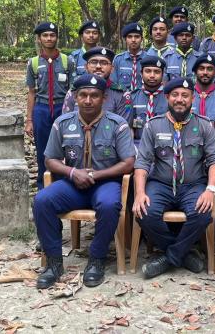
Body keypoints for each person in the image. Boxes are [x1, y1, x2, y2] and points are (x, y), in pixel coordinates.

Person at [33, 74, 135, 289]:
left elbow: (128, 163)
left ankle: (96, 260)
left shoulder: (118, 125)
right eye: (83, 95)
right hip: (72, 185)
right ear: (75, 97)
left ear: (104, 98)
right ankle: (54, 263)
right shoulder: (62, 123)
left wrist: (95, 175)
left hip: (105, 183)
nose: (88, 100)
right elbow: (50, 159)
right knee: (42, 200)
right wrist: (72, 172)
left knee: (109, 205)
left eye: (94, 96)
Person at [132, 77, 215, 278]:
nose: (180, 99)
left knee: (202, 214)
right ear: (167, 97)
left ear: (193, 99)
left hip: (193, 184)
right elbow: (142, 162)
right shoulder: (153, 125)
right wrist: (139, 192)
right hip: (161, 184)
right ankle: (183, 254)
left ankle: (169, 257)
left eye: (185, 95)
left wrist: (210, 189)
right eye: (175, 95)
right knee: (144, 212)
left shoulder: (204, 125)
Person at [25, 21, 75, 190]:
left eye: (52, 35)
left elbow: (73, 91)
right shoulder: (33, 63)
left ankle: (64, 185)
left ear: (57, 38)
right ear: (39, 39)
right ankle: (43, 186)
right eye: (45, 35)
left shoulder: (67, 61)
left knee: (66, 147)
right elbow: (31, 92)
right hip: (42, 109)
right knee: (43, 149)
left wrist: (74, 114)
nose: (49, 38)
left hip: (63, 108)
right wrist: (29, 120)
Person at [62, 47, 129, 122]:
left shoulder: (122, 94)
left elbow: (124, 125)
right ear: (86, 67)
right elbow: (65, 123)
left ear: (112, 68)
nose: (98, 66)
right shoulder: (74, 92)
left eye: (104, 63)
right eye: (94, 62)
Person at [126, 56, 169, 144]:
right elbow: (128, 128)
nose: (152, 75)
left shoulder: (170, 98)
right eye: (148, 71)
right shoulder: (132, 97)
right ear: (141, 73)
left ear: (162, 74)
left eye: (157, 72)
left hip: (164, 145)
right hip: (138, 144)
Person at [191, 54, 215, 133]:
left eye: (209, 69)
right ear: (195, 72)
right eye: (201, 68)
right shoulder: (186, 95)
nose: (205, 72)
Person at [111, 22, 146, 91]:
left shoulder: (149, 58)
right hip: (122, 96)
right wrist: (125, 92)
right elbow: (113, 84)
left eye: (137, 37)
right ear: (125, 39)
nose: (133, 40)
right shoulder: (118, 59)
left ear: (141, 39)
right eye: (130, 37)